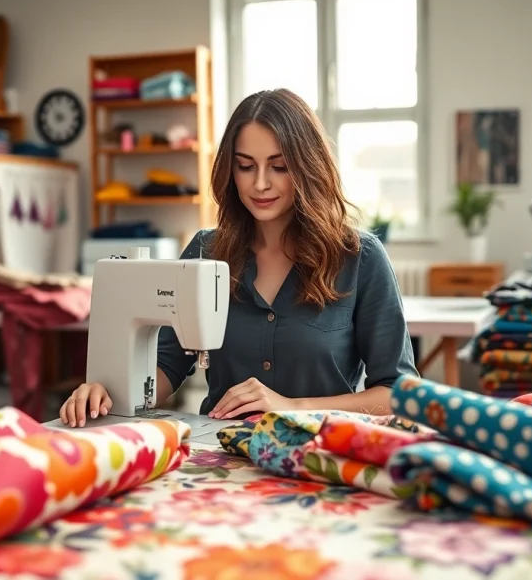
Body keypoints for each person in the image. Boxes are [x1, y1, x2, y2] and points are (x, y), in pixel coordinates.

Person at [60, 88, 418, 427]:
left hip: (316, 460)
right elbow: (166, 366)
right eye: (246, 166)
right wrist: (109, 394)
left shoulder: (360, 258)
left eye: (279, 167)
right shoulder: (206, 252)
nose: (260, 183)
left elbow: (397, 396)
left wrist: (293, 408)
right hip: (220, 453)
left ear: (308, 168)